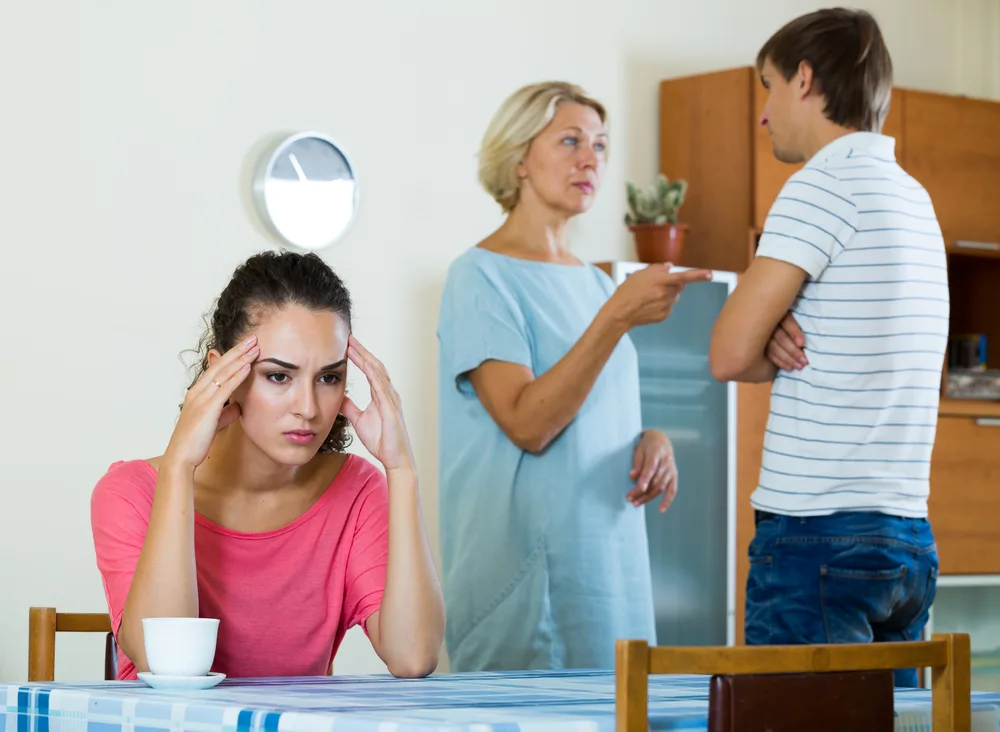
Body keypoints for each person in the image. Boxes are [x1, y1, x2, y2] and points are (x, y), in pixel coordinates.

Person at [436, 80, 712, 671]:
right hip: (528, 586)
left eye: (601, 145)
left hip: (609, 572)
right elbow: (528, 422)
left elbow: (590, 405)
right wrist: (615, 317)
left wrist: (646, 440)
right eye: (569, 141)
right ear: (517, 160)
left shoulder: (594, 282)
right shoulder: (480, 277)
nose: (591, 159)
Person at [708, 8, 947, 687]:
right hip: (906, 540)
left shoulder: (821, 186)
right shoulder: (913, 198)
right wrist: (774, 326)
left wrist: (763, 329)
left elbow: (727, 353)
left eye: (768, 85)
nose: (764, 112)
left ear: (805, 79)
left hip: (817, 537)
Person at [91, 250, 444, 680]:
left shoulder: (356, 491)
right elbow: (167, 665)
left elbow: (414, 658)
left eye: (329, 377)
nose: (309, 408)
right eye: (279, 376)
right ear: (224, 375)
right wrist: (179, 468)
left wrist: (402, 470)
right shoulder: (130, 493)